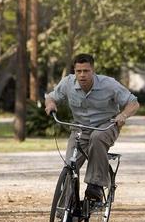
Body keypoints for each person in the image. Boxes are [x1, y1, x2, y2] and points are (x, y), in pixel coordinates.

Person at [44, 53, 139, 201]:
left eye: (86, 71)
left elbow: (133, 103)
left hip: (106, 126)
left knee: (97, 137)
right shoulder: (68, 83)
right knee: (70, 167)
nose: (82, 75)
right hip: (80, 129)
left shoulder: (109, 84)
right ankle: (65, 213)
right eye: (78, 71)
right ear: (74, 71)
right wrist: (50, 104)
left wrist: (123, 115)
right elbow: (51, 97)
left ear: (93, 70)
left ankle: (95, 186)